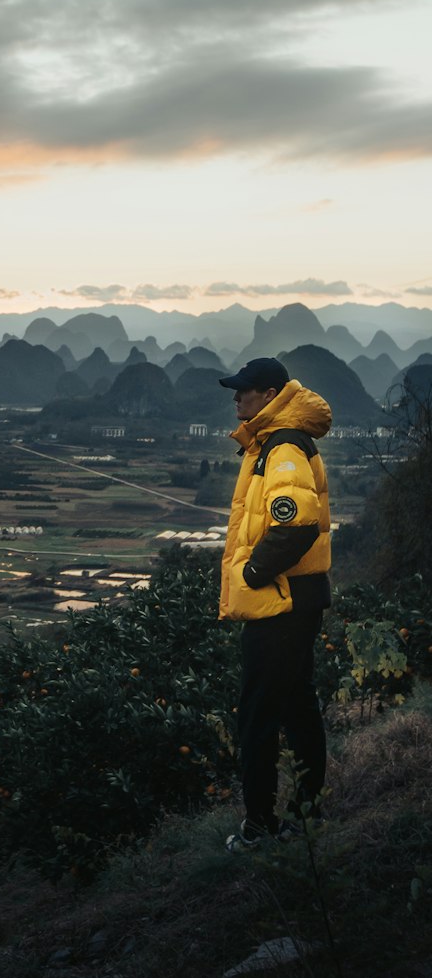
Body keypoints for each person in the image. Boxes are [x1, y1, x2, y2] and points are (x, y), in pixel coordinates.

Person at [216, 357, 332, 849]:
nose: (236, 398)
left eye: (244, 391)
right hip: (297, 596)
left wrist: (252, 572)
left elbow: (298, 523)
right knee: (296, 703)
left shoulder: (282, 447)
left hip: (280, 599)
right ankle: (307, 815)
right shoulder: (273, 442)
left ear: (268, 395)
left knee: (259, 712)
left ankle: (260, 826)